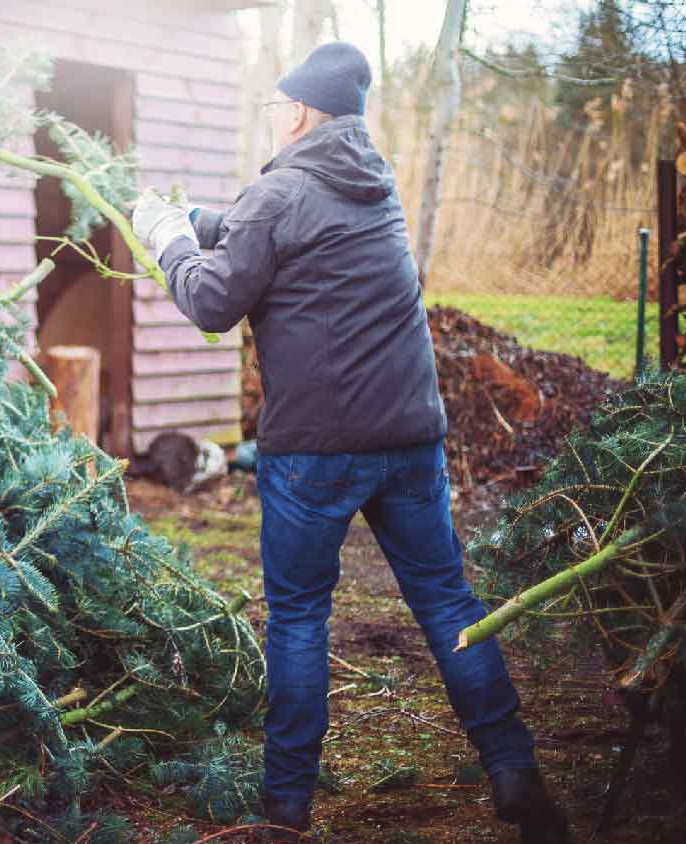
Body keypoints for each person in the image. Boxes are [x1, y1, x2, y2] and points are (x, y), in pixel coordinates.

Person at [130, 42, 568, 844]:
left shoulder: (280, 190)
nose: (273, 118)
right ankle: (513, 768)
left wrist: (166, 237)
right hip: (410, 439)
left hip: (317, 453)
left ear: (297, 112)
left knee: (298, 616)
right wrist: (203, 219)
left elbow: (212, 300)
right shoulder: (374, 182)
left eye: (276, 107)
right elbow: (284, 231)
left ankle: (287, 809)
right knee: (448, 601)